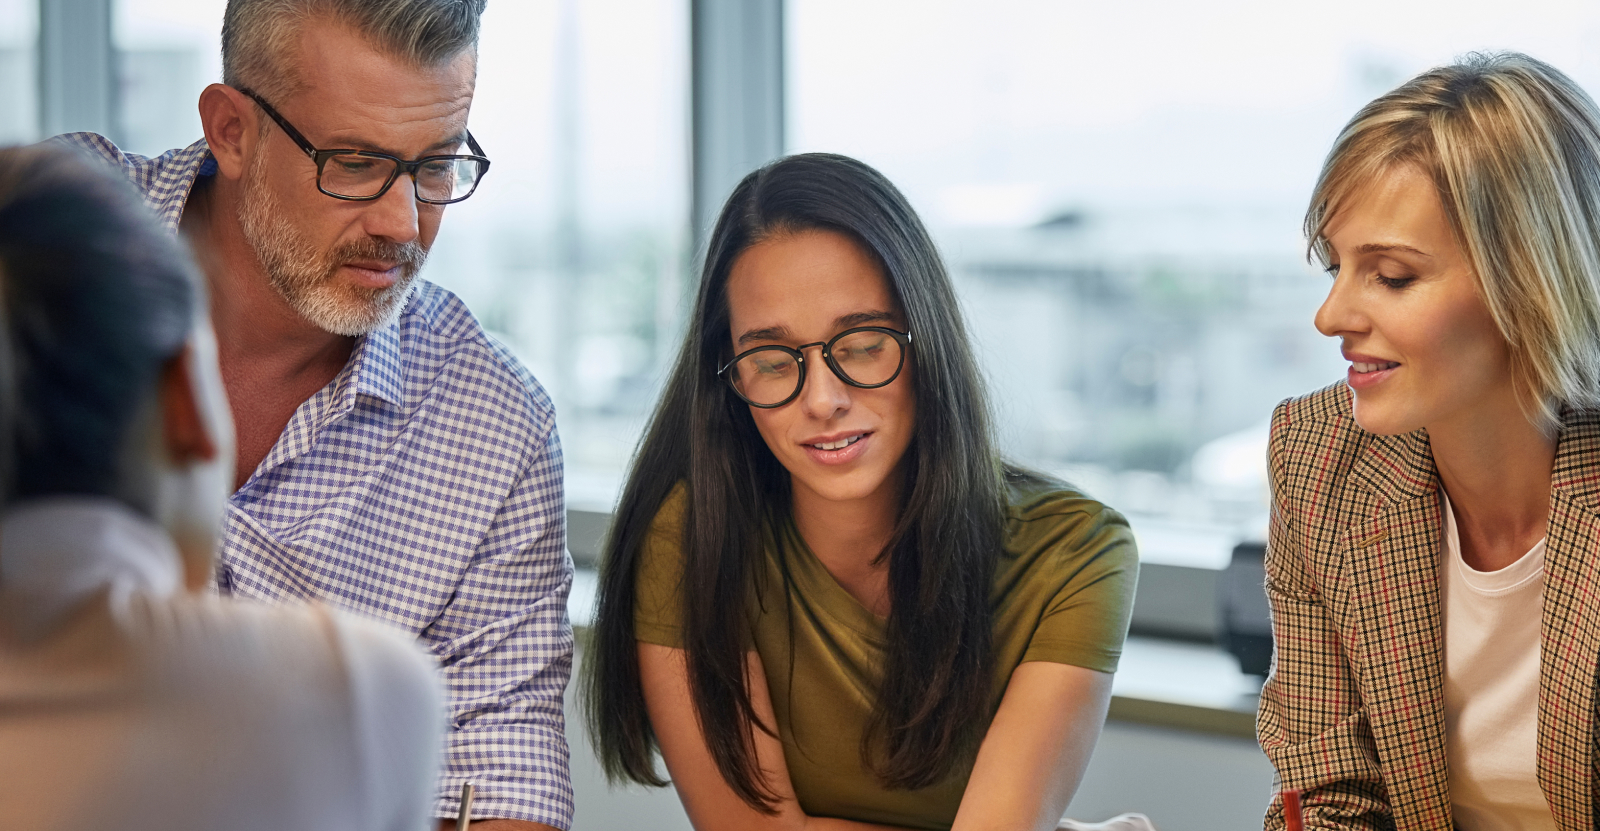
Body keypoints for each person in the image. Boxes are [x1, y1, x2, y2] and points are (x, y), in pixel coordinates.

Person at [51, 2, 572, 828]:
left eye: (437, 166)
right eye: (356, 163)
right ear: (232, 132)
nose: (403, 224)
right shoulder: (43, 245)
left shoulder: (496, 425)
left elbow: (504, 789)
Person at [585, 153, 1139, 831]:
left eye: (863, 343)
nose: (822, 399)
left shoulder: (1077, 552)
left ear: (925, 337)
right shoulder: (691, 536)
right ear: (728, 378)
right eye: (769, 359)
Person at [0, 143, 442, 830]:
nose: (400, 221)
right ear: (184, 399)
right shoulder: (356, 690)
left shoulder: (490, 404)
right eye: (352, 163)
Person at [1258, 52, 1600, 830]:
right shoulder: (1316, 457)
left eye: (1392, 276)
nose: (1331, 316)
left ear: (1532, 283)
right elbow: (1329, 794)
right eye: (1335, 267)